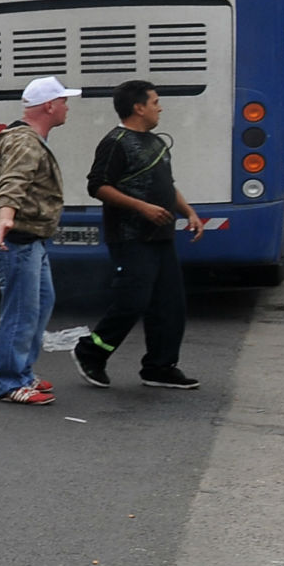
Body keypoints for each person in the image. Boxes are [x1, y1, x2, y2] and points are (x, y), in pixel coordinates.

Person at [75, 80, 204, 390]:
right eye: (155, 101)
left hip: (161, 237)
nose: (160, 107)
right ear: (138, 107)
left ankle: (159, 367)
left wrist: (189, 212)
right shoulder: (116, 142)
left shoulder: (157, 143)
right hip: (130, 237)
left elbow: (166, 185)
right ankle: (90, 352)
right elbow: (98, 186)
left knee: (170, 305)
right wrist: (142, 208)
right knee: (133, 301)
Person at [0, 76, 71, 405]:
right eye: (63, 101)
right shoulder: (26, 142)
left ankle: (23, 372)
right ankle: (10, 383)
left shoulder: (25, 137)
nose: (67, 107)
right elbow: (13, 183)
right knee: (21, 312)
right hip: (17, 240)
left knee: (39, 306)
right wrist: (6, 217)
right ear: (49, 106)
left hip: (30, 239)